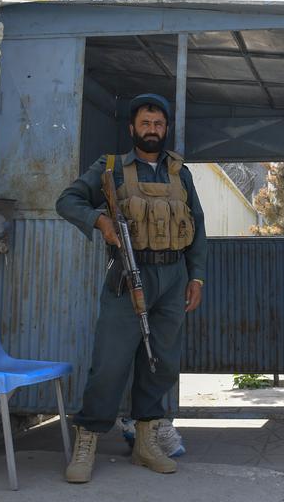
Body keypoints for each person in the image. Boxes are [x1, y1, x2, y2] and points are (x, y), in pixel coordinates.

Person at [56, 93, 207, 483]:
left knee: (162, 361)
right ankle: (87, 437)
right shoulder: (110, 168)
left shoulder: (180, 173)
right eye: (145, 123)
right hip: (128, 274)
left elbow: (198, 227)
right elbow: (67, 200)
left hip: (173, 278)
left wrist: (196, 276)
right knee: (111, 361)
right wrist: (98, 221)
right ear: (132, 128)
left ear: (166, 128)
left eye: (158, 124)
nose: (152, 130)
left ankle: (145, 440)